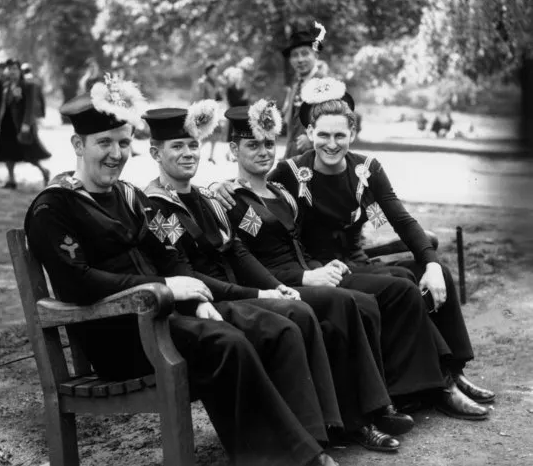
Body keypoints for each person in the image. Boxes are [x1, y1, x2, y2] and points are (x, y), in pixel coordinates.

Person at [25, 74, 339, 466]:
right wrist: (168, 289)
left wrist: (196, 296)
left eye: (123, 143)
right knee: (226, 343)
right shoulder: (54, 207)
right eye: (104, 143)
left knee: (269, 328)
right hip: (118, 334)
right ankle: (286, 457)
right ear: (78, 144)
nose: (116, 154)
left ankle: (298, 444)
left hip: (163, 315)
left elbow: (168, 255)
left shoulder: (129, 196)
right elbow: (78, 283)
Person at [142, 103, 415, 453]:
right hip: (207, 305)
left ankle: (355, 419)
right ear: (155, 153)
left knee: (340, 308)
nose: (188, 153)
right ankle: (327, 432)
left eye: (193, 145)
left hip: (246, 289)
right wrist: (265, 291)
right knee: (313, 311)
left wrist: (275, 288)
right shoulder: (157, 206)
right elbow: (186, 272)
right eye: (177, 146)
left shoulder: (206, 197)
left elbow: (236, 251)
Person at [268, 77, 495, 416]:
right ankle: (439, 385)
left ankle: (455, 371)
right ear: (311, 132)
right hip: (324, 272)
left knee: (437, 271)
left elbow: (401, 219)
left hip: (360, 261)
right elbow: (256, 199)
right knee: (402, 286)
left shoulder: (367, 168)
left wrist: (430, 262)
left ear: (352, 135)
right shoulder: (289, 172)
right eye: (324, 135)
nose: (332, 144)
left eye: (340, 135)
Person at [0, 59, 51, 189]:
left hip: (21, 125)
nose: (12, 71)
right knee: (7, 152)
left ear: (19, 71)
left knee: (29, 154)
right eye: (9, 69)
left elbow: (30, 107)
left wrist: (26, 124)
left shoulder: (28, 85)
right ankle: (11, 180)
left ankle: (44, 171)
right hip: (7, 124)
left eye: (14, 69)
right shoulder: (6, 85)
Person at [282, 22, 328, 159]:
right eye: (295, 55)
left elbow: (338, 124)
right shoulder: (295, 87)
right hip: (292, 157)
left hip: (317, 159)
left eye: (305, 53)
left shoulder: (326, 85)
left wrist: (314, 139)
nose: (300, 59)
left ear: (315, 56)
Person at [194, 63, 224, 163]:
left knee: (216, 133)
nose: (214, 74)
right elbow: (199, 97)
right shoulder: (203, 82)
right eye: (212, 72)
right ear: (208, 72)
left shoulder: (215, 83)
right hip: (206, 111)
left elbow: (218, 97)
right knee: (205, 134)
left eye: (216, 72)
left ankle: (211, 155)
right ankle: (196, 153)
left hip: (214, 111)